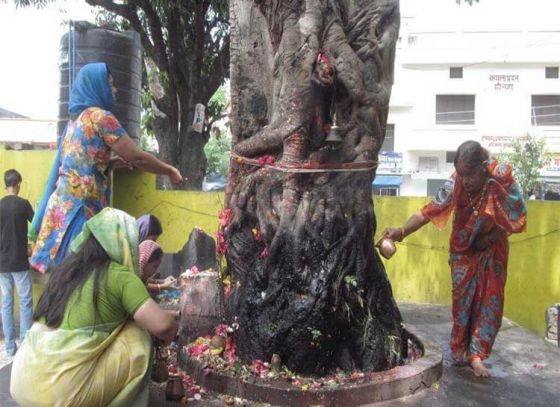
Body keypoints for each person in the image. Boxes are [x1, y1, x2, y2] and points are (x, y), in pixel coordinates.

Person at [382, 140, 527, 377]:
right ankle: (460, 351)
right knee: (462, 304)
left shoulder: (501, 178)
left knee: (490, 302)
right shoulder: (455, 182)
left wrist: (489, 238)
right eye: (461, 174)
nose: (465, 180)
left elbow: (518, 215)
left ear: (482, 167)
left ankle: (477, 355)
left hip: (493, 249)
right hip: (462, 250)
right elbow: (429, 211)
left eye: (469, 174)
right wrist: (400, 231)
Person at [10, 208, 178, 407]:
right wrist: (171, 333)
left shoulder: (66, 270)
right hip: (59, 396)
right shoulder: (119, 275)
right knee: (138, 335)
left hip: (22, 381)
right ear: (126, 241)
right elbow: (163, 326)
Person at [29, 62, 183, 273]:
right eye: (110, 84)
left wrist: (109, 164)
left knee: (63, 282)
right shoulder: (100, 117)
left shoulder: (74, 124)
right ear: (96, 86)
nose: (115, 89)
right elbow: (137, 157)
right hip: (79, 214)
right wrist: (168, 170)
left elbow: (79, 164)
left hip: (61, 212)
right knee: (81, 280)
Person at [0, 170, 34, 357]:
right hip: (19, 263)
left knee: (6, 303)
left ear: (6, 185)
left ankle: (10, 348)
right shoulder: (23, 205)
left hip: (2, 264)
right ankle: (24, 345)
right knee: (25, 302)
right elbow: (36, 225)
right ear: (18, 184)